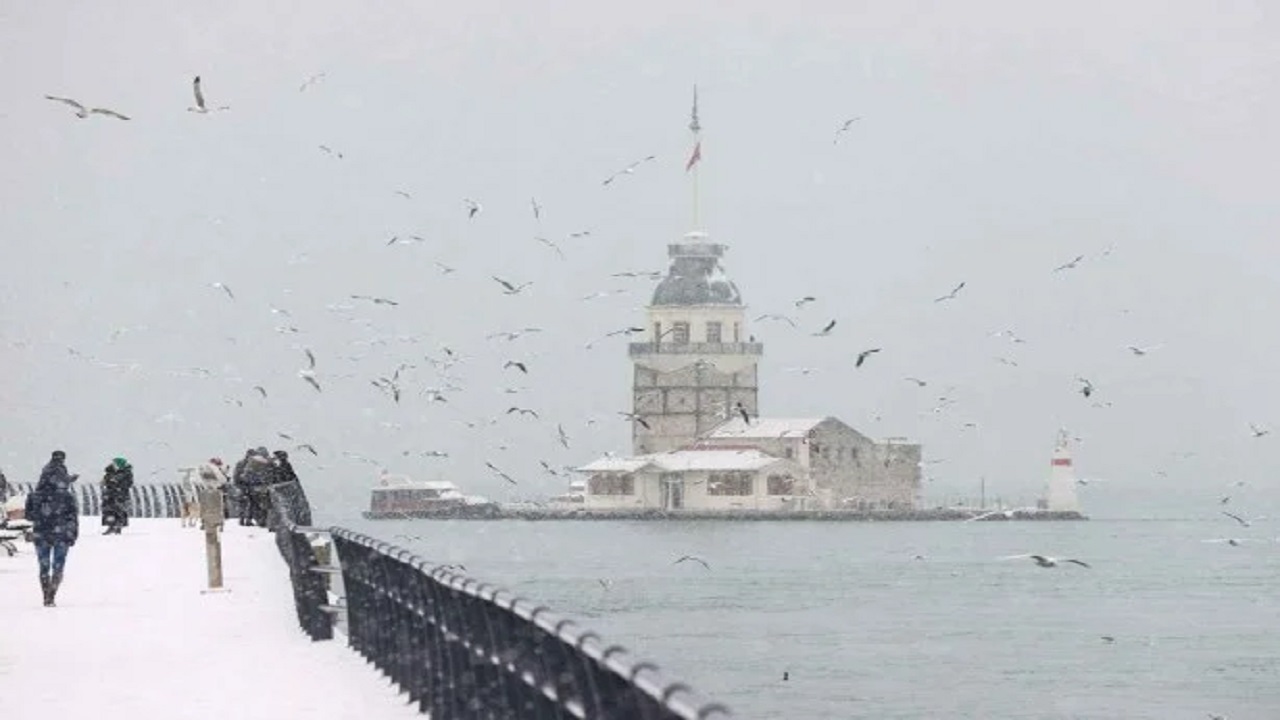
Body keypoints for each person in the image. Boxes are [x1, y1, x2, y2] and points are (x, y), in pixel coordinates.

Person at [26, 450, 80, 607]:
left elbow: (29, 516)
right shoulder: (67, 497)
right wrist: (72, 534)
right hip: (61, 533)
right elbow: (72, 517)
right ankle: (52, 594)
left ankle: (45, 594)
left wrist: (43, 514)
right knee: (58, 564)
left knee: (43, 565)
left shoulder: (34, 496)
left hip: (41, 533)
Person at [101, 457, 134, 535]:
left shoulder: (126, 473)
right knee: (108, 510)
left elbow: (128, 484)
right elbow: (106, 480)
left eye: (115, 463)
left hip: (120, 495)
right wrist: (110, 481)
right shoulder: (110, 472)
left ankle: (118, 526)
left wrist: (116, 483)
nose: (113, 465)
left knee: (119, 510)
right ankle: (110, 526)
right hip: (110, 494)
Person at [232, 449, 255, 526]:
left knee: (243, 503)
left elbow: (235, 475)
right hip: (248, 486)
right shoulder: (250, 464)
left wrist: (237, 485)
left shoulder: (240, 463)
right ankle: (247, 520)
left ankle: (242, 519)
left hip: (242, 486)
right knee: (250, 503)